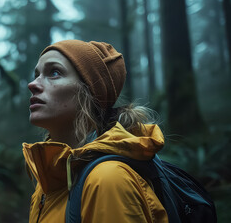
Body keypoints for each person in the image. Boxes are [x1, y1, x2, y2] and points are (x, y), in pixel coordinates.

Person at [22, 40, 168, 222]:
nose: (32, 84)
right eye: (37, 74)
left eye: (54, 72)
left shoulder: (108, 180)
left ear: (89, 92)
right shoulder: (47, 185)